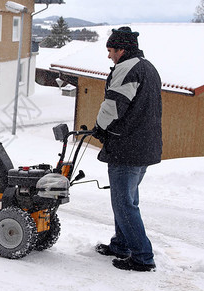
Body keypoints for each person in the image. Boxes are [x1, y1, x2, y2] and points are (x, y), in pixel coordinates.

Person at [92, 27, 162, 272]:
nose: (109, 56)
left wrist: (99, 128)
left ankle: (143, 257)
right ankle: (121, 244)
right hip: (143, 145)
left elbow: (112, 106)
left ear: (122, 49)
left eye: (111, 50)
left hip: (128, 146)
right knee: (127, 199)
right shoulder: (147, 67)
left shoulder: (127, 68)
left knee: (124, 203)